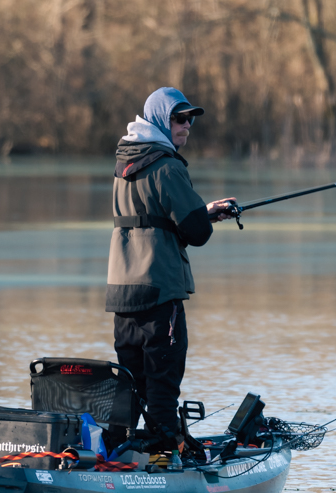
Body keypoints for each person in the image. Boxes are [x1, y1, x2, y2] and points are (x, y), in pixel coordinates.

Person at [106, 87, 237, 454]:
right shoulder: (168, 165)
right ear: (161, 121)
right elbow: (197, 233)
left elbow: (149, 217)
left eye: (190, 119)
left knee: (129, 384)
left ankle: (114, 451)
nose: (187, 126)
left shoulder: (124, 162)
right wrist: (204, 218)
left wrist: (203, 212)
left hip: (122, 289)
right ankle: (165, 456)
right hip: (159, 288)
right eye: (179, 119)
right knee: (162, 384)